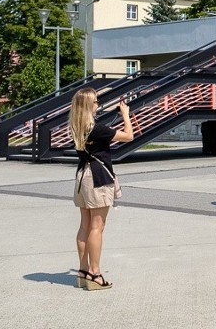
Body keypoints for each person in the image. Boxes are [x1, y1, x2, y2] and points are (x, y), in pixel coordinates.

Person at [71, 88, 134, 290]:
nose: (98, 104)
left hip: (82, 176)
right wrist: (126, 115)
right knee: (97, 227)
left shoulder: (76, 125)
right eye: (96, 101)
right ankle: (95, 273)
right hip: (97, 176)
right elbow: (129, 136)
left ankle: (83, 270)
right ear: (89, 105)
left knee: (85, 225)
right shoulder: (97, 129)